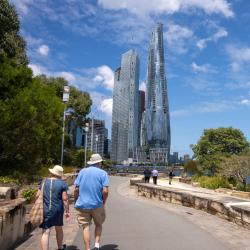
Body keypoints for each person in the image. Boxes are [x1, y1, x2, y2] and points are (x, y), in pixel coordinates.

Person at [74, 154, 109, 250]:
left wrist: (76, 200)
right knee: (99, 224)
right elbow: (105, 191)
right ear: (98, 162)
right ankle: (96, 245)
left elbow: (76, 189)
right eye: (101, 162)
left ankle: (87, 248)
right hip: (97, 204)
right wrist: (103, 201)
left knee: (85, 227)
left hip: (82, 205)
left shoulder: (82, 172)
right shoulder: (103, 173)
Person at [39, 165, 70, 250]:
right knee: (59, 228)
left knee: (46, 232)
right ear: (60, 174)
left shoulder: (44, 182)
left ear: (52, 172)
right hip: (58, 209)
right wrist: (67, 211)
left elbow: (37, 195)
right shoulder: (62, 183)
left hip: (46, 209)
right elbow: (65, 199)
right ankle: (60, 247)